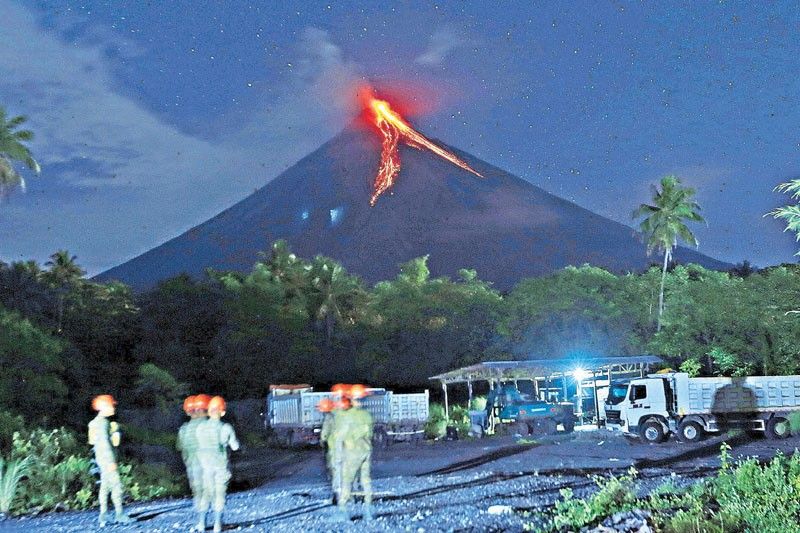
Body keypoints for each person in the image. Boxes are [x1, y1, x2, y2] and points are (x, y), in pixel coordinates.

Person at [195, 395, 240, 533]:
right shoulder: (226, 427)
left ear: (209, 411)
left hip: (205, 467)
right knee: (219, 495)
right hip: (220, 467)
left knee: (205, 495)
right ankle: (217, 526)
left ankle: (201, 525)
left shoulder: (200, 427)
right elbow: (235, 447)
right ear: (223, 412)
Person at [330, 384, 374, 522]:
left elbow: (339, 437)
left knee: (346, 481)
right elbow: (370, 433)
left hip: (351, 452)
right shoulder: (367, 415)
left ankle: (343, 512)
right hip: (366, 451)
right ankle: (368, 512)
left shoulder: (345, 415)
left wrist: (337, 456)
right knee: (366, 481)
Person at [87, 394, 132, 527]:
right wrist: (111, 461)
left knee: (105, 486)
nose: (113, 407)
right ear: (104, 407)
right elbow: (106, 444)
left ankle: (104, 514)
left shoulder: (95, 423)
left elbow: (92, 441)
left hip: (100, 458)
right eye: (111, 405)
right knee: (116, 484)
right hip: (107, 459)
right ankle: (119, 514)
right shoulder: (103, 423)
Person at [177, 395, 208, 514]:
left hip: (191, 464)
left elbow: (180, 447)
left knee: (197, 491)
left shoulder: (184, 429)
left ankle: (201, 518)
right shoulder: (206, 425)